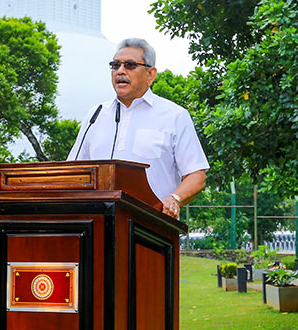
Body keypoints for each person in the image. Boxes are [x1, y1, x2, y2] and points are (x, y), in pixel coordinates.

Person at [67, 38, 208, 219]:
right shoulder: (96, 115)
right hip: (96, 224)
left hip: (152, 228)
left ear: (151, 74)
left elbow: (196, 175)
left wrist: (174, 198)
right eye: (115, 65)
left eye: (130, 65)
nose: (120, 71)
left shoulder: (174, 116)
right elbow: (73, 172)